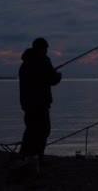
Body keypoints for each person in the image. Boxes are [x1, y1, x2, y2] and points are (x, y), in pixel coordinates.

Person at [18, 37, 62, 169]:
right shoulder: (42, 61)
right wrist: (58, 75)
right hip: (40, 103)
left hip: (27, 103)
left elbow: (41, 78)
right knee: (43, 131)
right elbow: (51, 79)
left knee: (31, 130)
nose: (47, 51)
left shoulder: (25, 63)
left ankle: (26, 157)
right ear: (42, 49)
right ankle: (37, 159)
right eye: (46, 48)